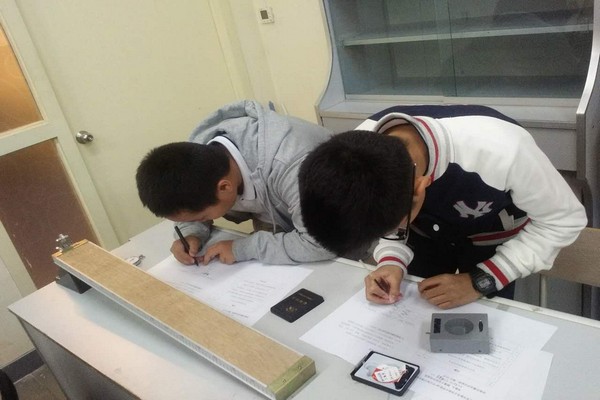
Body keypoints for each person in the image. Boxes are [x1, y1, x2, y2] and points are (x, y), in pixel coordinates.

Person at [299, 104, 587, 309]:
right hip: (425, 235)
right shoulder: (353, 152)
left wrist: (481, 280)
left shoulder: (503, 150)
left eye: (392, 227)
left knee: (480, 329)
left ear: (420, 188)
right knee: (417, 316)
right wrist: (390, 261)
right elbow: (387, 220)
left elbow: (564, 220)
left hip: (494, 243)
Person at [136, 100, 335, 265]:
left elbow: (323, 243)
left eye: (200, 217)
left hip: (340, 222)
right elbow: (192, 203)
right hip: (283, 217)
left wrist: (243, 248)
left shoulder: (294, 165)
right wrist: (191, 233)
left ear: (225, 187)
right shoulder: (200, 160)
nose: (197, 220)